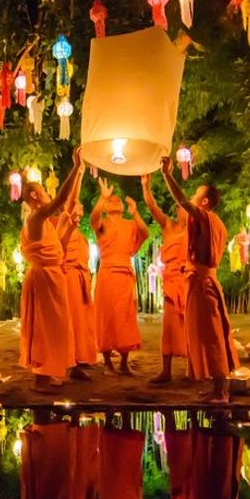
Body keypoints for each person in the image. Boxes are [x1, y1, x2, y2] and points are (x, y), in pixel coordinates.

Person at [160, 157, 238, 404]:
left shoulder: (204, 217)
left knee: (213, 335)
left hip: (202, 283)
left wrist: (166, 174)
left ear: (204, 202)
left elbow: (181, 200)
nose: (191, 197)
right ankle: (216, 386)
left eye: (196, 194)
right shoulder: (218, 224)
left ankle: (221, 390)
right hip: (203, 280)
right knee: (208, 334)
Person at [19, 148, 86, 392]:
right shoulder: (35, 219)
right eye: (45, 191)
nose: (49, 195)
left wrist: (69, 229)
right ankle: (40, 379)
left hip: (54, 276)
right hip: (43, 278)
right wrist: (76, 168)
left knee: (57, 327)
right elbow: (60, 201)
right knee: (45, 328)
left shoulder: (46, 223)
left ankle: (49, 372)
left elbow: (60, 248)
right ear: (35, 196)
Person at [91, 178, 148, 374]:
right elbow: (93, 218)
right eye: (111, 200)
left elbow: (145, 233)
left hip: (124, 274)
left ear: (123, 207)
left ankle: (124, 362)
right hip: (107, 273)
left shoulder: (131, 224)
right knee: (106, 317)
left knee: (125, 317)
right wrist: (102, 197)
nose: (115, 200)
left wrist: (136, 212)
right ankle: (107, 362)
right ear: (105, 207)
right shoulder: (102, 225)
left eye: (117, 199)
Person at [141, 173, 189, 384]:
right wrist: (145, 186)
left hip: (188, 280)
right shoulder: (169, 226)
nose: (180, 210)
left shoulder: (195, 228)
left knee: (190, 326)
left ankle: (192, 367)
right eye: (178, 207)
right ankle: (166, 371)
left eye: (183, 207)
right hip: (171, 282)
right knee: (169, 327)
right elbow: (153, 208)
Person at [58, 199, 97, 374]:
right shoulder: (64, 226)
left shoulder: (78, 231)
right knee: (72, 320)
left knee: (82, 320)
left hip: (81, 277)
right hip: (70, 277)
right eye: (78, 203)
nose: (81, 206)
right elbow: (61, 248)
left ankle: (80, 358)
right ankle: (70, 361)